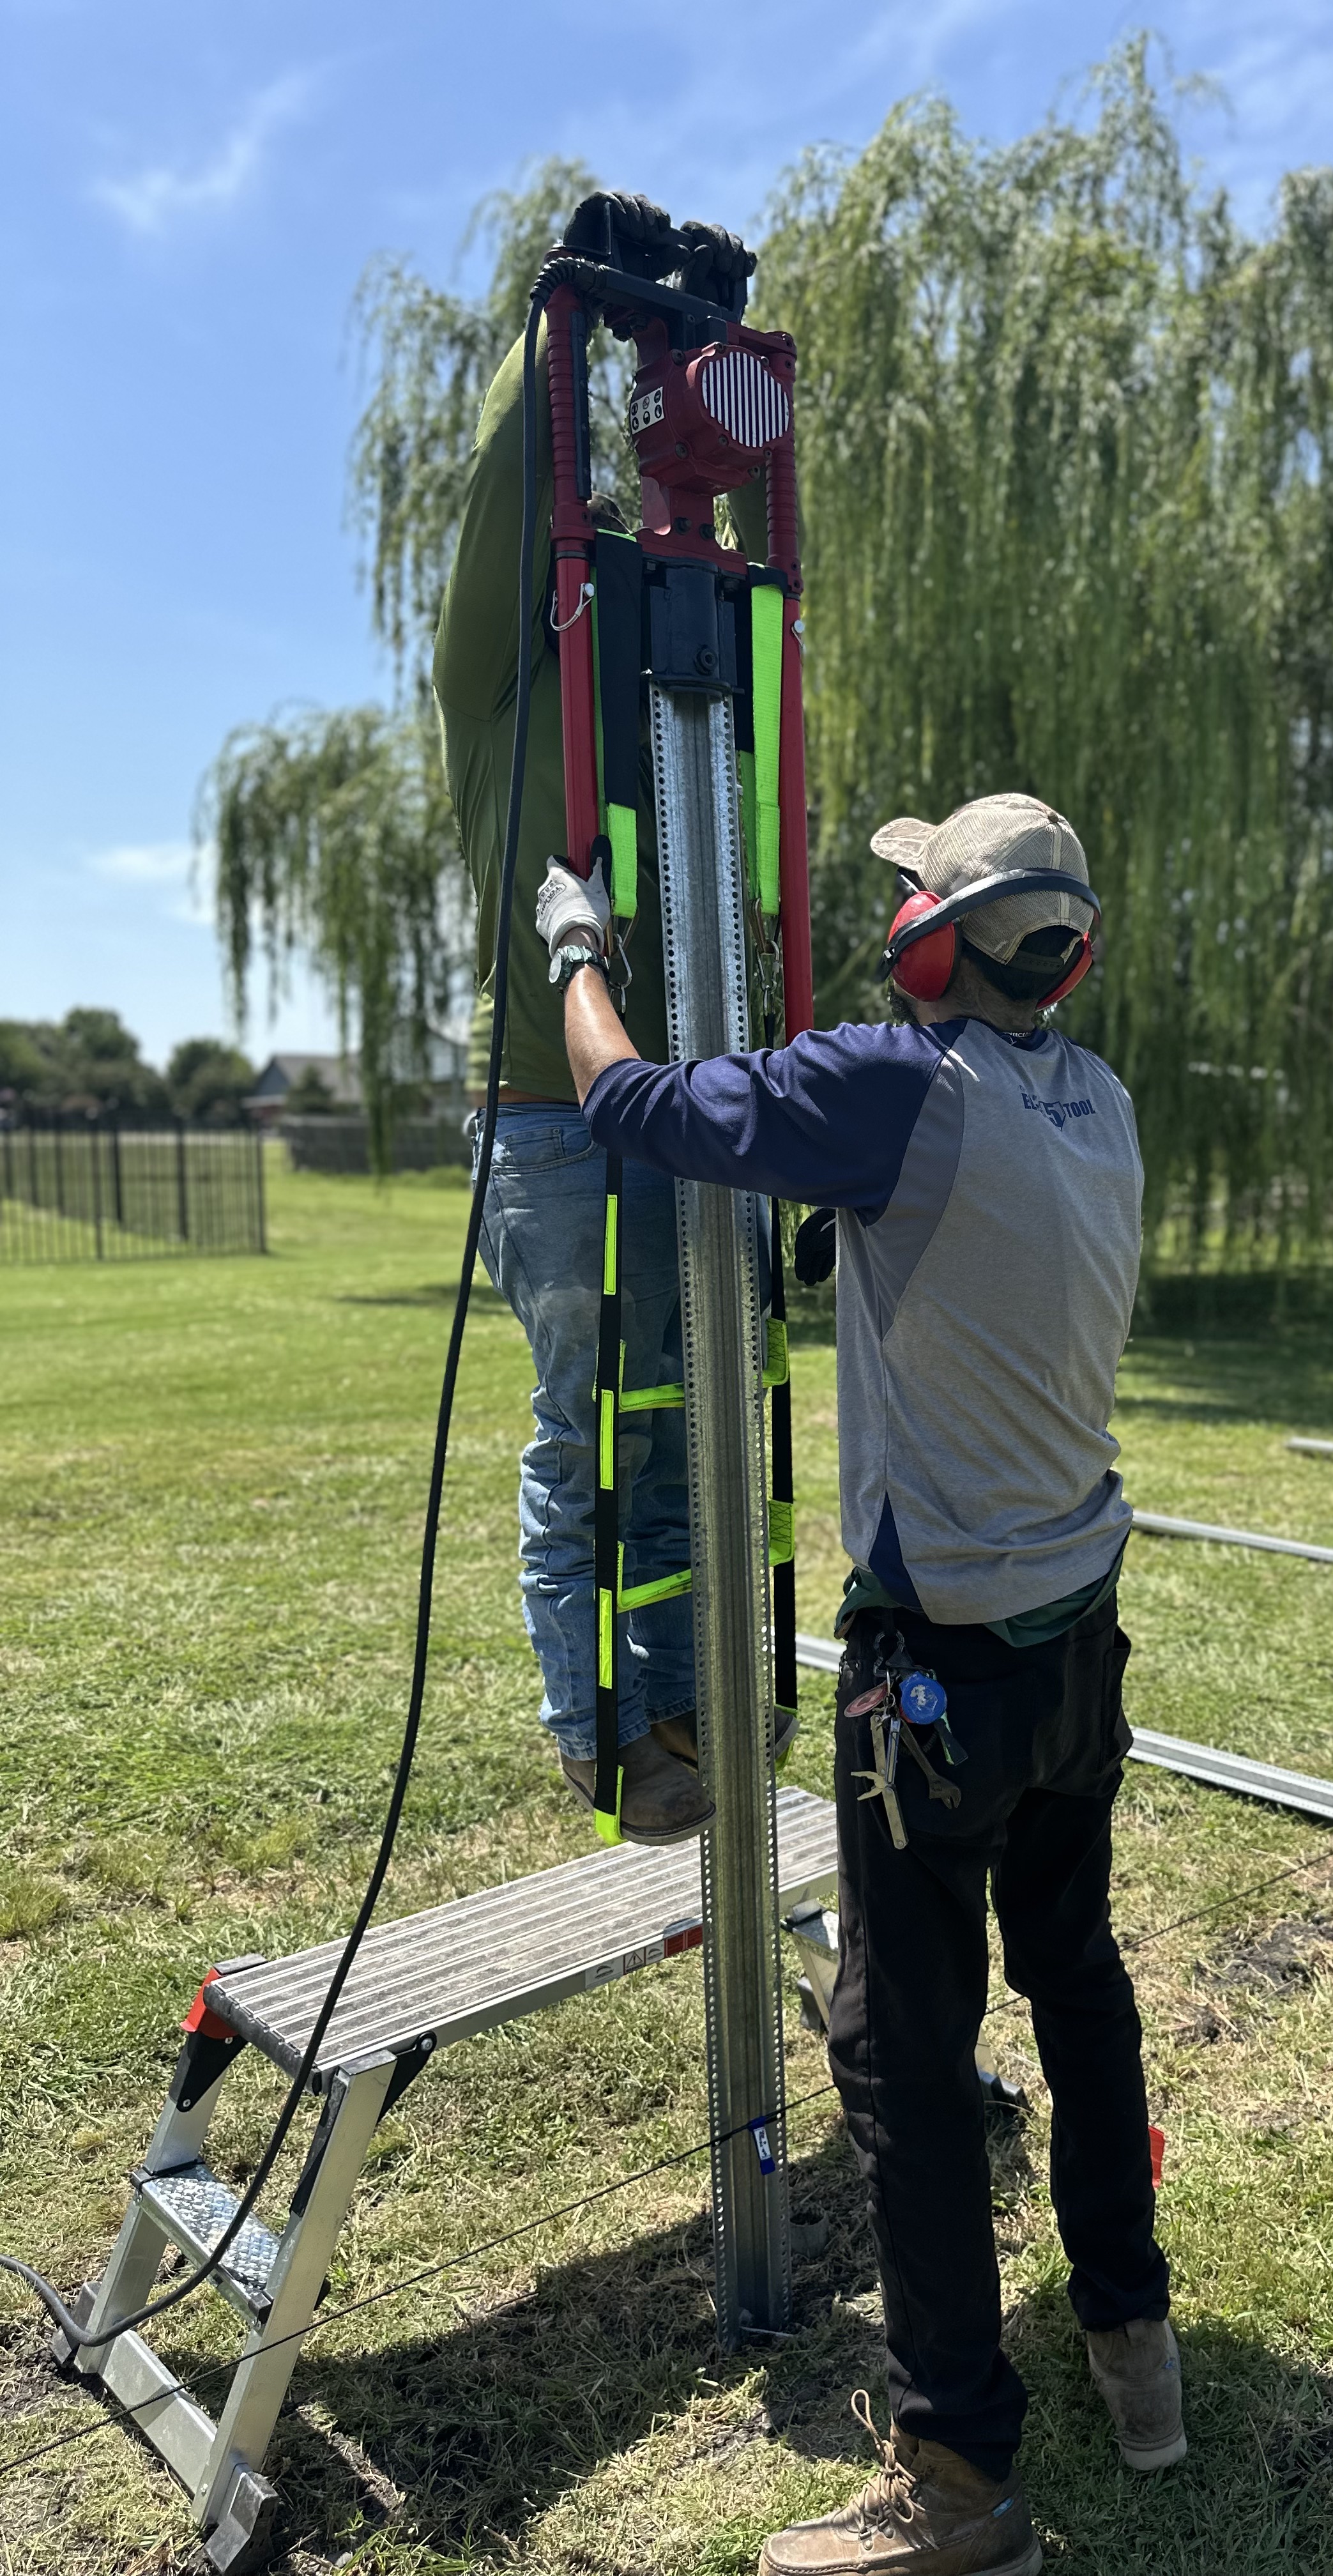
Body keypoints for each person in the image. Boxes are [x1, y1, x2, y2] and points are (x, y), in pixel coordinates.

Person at [538, 792, 1182, 2576]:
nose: (884, 916)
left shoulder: (893, 1089)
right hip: (1080, 1629)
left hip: (939, 1669)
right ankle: (1135, 2344)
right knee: (1076, 1973)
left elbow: (637, 1106)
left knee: (902, 2051)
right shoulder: (1096, 1098)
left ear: (933, 945)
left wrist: (579, 953)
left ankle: (959, 2483)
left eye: (903, 899)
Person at [432, 189, 754, 1847]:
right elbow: (516, 506)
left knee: (688, 1409)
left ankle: (684, 1706)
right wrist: (561, 324)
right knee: (585, 1418)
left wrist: (695, 345)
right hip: (552, 1113)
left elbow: (706, 539)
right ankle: (596, 1726)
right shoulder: (502, 668)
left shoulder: (648, 660)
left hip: (673, 1091)